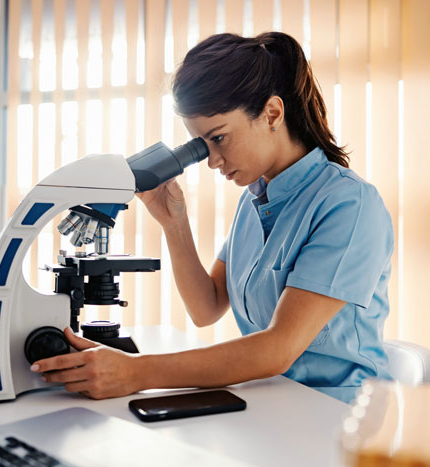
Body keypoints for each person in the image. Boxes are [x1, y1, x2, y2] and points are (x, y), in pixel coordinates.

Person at [31, 32, 394, 404]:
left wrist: (135, 372)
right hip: (272, 402)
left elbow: (277, 349)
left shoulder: (348, 204)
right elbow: (207, 308)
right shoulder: (255, 200)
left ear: (272, 113)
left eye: (218, 138)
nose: (212, 161)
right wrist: (174, 221)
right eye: (201, 145)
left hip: (335, 415)